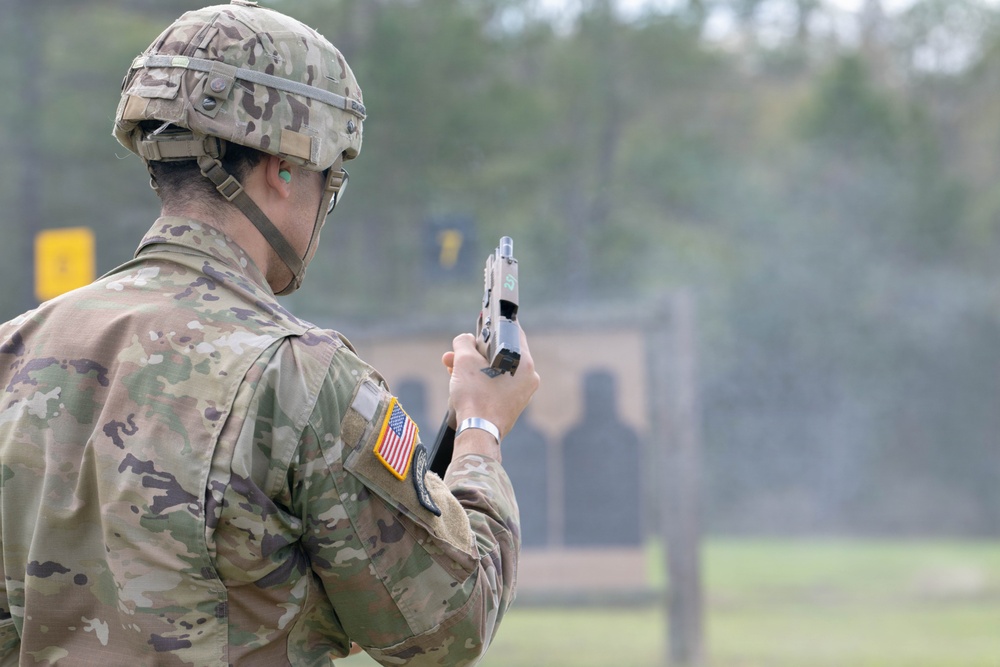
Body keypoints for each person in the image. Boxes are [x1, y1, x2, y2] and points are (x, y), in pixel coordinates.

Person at [0, 2, 539, 665]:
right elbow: (449, 625)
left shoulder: (14, 351)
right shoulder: (299, 377)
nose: (323, 204)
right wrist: (481, 429)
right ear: (285, 168)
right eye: (327, 179)